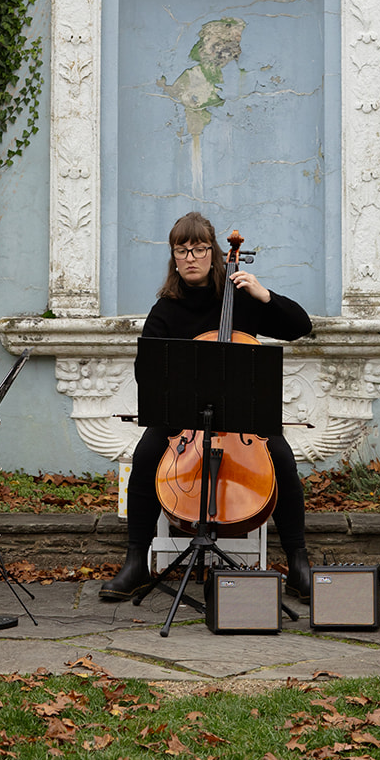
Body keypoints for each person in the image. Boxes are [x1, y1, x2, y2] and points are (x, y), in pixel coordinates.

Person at [100, 211, 314, 603]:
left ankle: (299, 563)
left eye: (200, 248)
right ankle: (136, 562)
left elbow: (300, 326)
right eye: (183, 250)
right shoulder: (165, 309)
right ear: (174, 256)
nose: (191, 257)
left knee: (281, 455)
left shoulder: (240, 298)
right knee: (146, 452)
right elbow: (146, 372)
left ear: (214, 254)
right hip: (184, 418)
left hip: (242, 418)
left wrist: (264, 295)